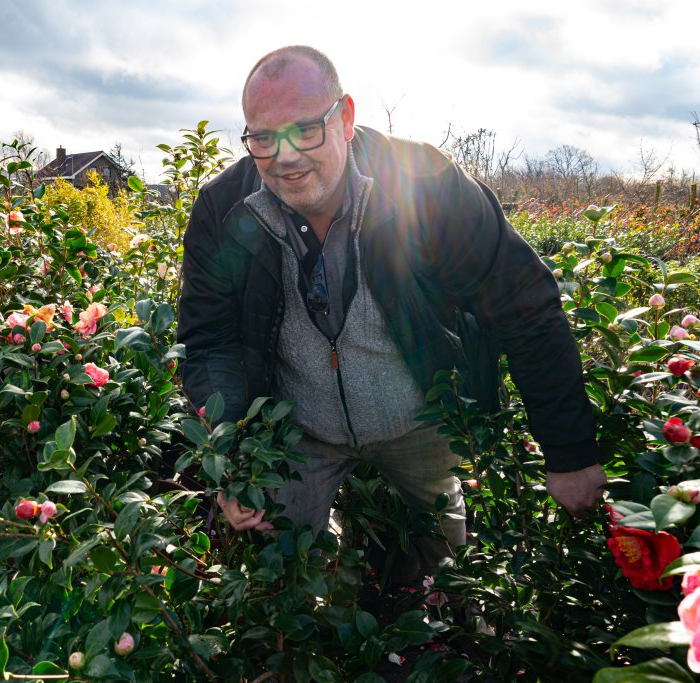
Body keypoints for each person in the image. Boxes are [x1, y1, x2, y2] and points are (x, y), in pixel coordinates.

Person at [177, 45, 606, 581]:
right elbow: (209, 336)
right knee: (286, 569)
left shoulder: (425, 186)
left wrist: (568, 450)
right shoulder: (223, 208)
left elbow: (523, 304)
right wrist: (235, 452)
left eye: (306, 129)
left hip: (418, 417)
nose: (285, 156)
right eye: (262, 137)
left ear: (347, 118)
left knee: (442, 565)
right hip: (297, 427)